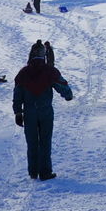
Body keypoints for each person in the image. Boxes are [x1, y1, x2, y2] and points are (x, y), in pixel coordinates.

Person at [13, 40, 73, 181]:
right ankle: (45, 172)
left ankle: (33, 172)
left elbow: (17, 94)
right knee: (45, 142)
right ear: (43, 55)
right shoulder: (49, 71)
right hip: (45, 112)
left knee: (32, 143)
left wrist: (18, 112)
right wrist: (68, 95)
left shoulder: (23, 73)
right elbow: (61, 85)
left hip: (29, 113)